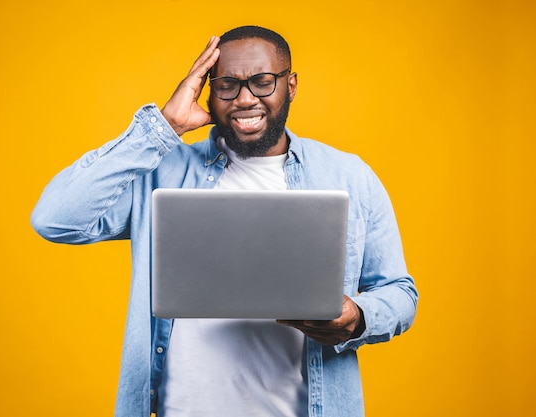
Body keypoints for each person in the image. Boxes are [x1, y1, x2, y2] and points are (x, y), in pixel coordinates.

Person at [31, 25, 418, 417]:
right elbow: (56, 219)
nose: (246, 99)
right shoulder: (160, 171)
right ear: (207, 90)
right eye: (227, 85)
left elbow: (400, 292)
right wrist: (164, 127)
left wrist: (358, 318)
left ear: (291, 85)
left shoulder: (349, 176)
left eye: (263, 82)